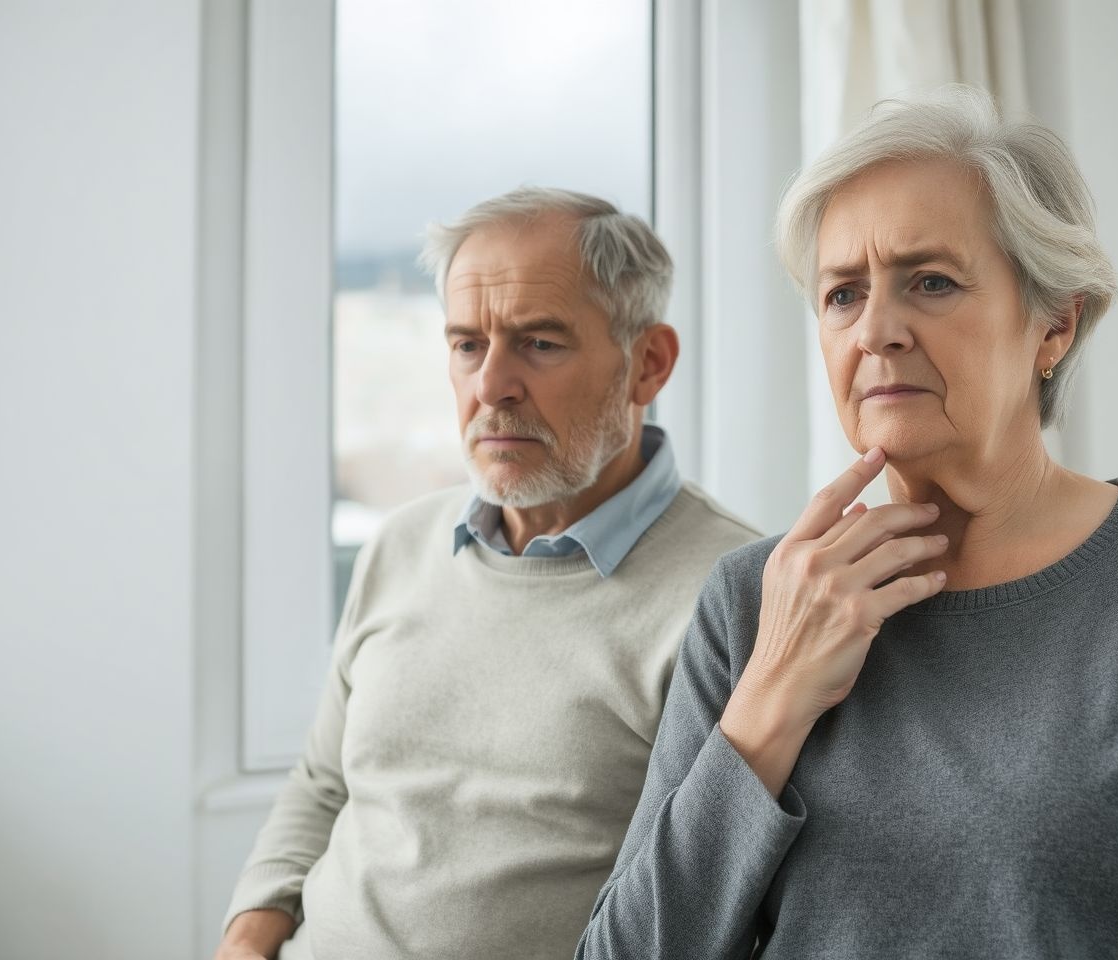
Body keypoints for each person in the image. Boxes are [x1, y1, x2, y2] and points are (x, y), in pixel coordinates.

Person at [576, 86, 1118, 959]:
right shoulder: (755, 602)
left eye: (930, 282)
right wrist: (773, 696)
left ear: (1054, 323)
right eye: (842, 295)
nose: (877, 331)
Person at [214, 187, 759, 960]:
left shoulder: (734, 594)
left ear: (649, 364)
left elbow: (706, 901)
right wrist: (246, 939)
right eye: (468, 345)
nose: (491, 387)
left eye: (539, 343)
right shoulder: (399, 543)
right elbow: (323, 783)